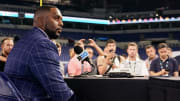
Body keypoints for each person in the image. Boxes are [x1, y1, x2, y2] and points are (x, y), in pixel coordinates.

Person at [4, 5, 74, 101]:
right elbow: (61, 95)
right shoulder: (42, 44)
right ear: (41, 21)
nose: (61, 23)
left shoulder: (25, 40)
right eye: (56, 18)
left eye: (61, 20)